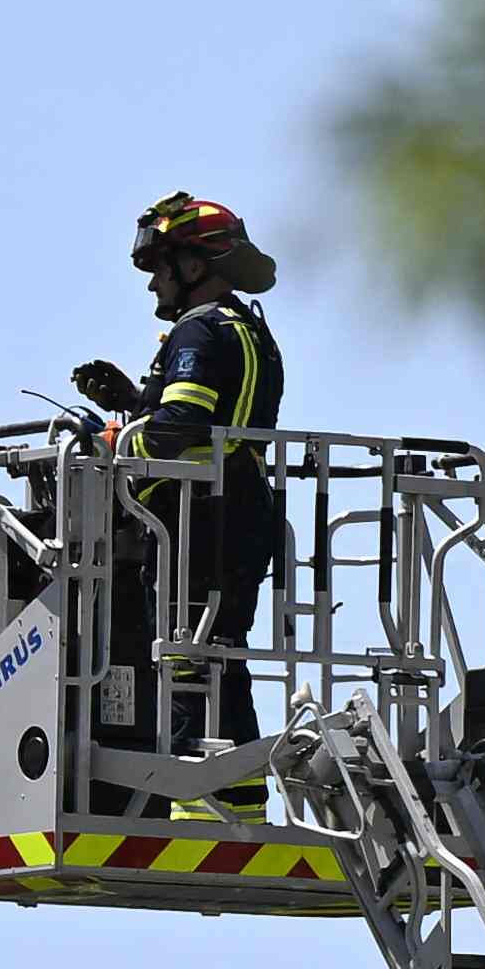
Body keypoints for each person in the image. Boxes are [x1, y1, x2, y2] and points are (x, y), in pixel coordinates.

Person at [67, 188, 291, 765]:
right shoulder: (247, 330)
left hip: (197, 523)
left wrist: (115, 442)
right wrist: (133, 399)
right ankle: (239, 802)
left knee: (188, 666)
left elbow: (185, 423)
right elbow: (208, 418)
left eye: (160, 269)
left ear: (194, 264)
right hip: (237, 512)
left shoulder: (199, 330)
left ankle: (203, 808)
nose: (152, 285)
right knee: (220, 661)